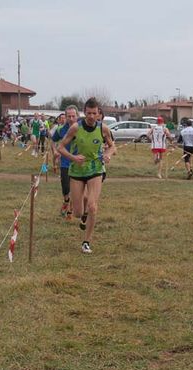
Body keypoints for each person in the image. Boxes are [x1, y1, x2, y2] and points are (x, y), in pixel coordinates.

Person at [57, 98, 116, 254]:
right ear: (84, 113)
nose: (91, 116)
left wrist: (108, 155)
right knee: (77, 212)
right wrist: (73, 158)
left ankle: (86, 242)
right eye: (88, 113)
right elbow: (61, 147)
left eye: (94, 113)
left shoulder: (103, 129)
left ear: (98, 114)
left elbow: (112, 146)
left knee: (92, 206)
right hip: (77, 170)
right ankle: (83, 215)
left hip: (95, 169)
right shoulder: (75, 128)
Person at [52, 107, 78, 219]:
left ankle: (70, 211)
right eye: (69, 116)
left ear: (77, 116)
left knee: (75, 190)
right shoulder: (61, 129)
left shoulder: (82, 128)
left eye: (73, 116)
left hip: (78, 163)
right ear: (65, 117)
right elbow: (53, 140)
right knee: (66, 189)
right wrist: (54, 151)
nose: (71, 119)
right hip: (65, 163)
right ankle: (66, 201)